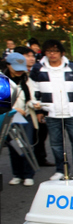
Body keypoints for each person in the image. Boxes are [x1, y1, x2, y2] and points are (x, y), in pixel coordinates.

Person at [29, 39, 73, 180]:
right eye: (49, 51)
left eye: (55, 51)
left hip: (72, 111)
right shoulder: (38, 69)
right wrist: (38, 110)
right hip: (51, 112)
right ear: (45, 53)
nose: (52, 54)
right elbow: (34, 91)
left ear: (62, 53)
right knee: (56, 144)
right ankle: (60, 170)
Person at [4, 52, 38, 186]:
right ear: (8, 66)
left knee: (28, 145)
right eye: (16, 68)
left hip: (26, 117)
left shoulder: (27, 80)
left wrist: (34, 104)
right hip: (9, 118)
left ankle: (29, 174)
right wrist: (14, 109)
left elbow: (31, 97)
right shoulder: (2, 81)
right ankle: (17, 174)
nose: (19, 72)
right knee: (14, 146)